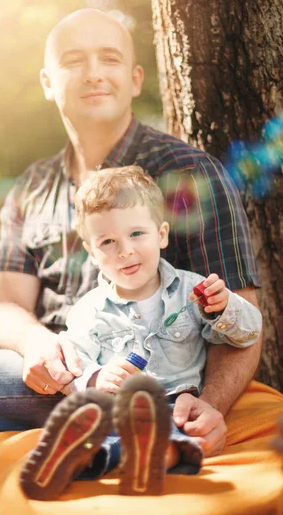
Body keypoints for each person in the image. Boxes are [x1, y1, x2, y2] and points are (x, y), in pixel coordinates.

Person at [0, 9, 262, 453]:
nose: (94, 74)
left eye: (110, 59)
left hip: (101, 371)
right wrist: (35, 342)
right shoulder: (32, 185)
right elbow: (6, 303)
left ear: (136, 79)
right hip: (46, 345)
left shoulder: (190, 173)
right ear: (48, 82)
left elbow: (240, 318)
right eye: (74, 60)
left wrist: (210, 405)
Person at [19, 165, 262, 499]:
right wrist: (94, 378)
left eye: (136, 234)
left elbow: (249, 332)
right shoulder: (88, 311)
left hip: (177, 402)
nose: (125, 251)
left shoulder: (193, 290)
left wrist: (225, 307)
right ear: (91, 252)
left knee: (181, 429)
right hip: (118, 407)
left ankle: (129, 456)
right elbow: (74, 365)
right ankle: (78, 454)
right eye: (107, 241)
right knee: (102, 422)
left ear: (161, 234)